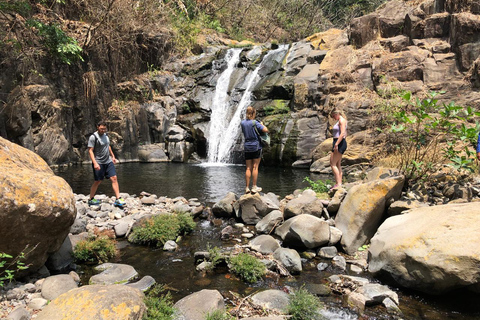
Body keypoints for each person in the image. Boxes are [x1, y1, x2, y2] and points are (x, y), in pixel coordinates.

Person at [87, 121, 125, 207]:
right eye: (101, 129)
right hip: (99, 162)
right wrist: (95, 163)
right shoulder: (93, 137)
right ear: (97, 127)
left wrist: (113, 156)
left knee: (114, 178)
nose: (103, 130)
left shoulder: (106, 135)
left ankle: (118, 199)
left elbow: (108, 146)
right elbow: (90, 151)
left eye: (104, 129)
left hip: (108, 161)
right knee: (98, 181)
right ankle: (91, 199)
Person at [240, 106, 269, 194]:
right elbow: (266, 130)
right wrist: (262, 124)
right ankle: (254, 187)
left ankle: (246, 188)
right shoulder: (255, 122)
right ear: (253, 113)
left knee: (248, 168)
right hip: (256, 146)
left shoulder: (242, 123)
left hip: (247, 146)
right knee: (255, 167)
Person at [329, 109, 347, 189]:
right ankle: (339, 183)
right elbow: (344, 133)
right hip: (339, 141)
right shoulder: (341, 120)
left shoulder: (341, 121)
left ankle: (338, 184)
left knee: (332, 164)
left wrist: (336, 144)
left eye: (333, 116)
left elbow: (342, 133)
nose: (333, 118)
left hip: (339, 142)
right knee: (337, 164)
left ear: (337, 113)